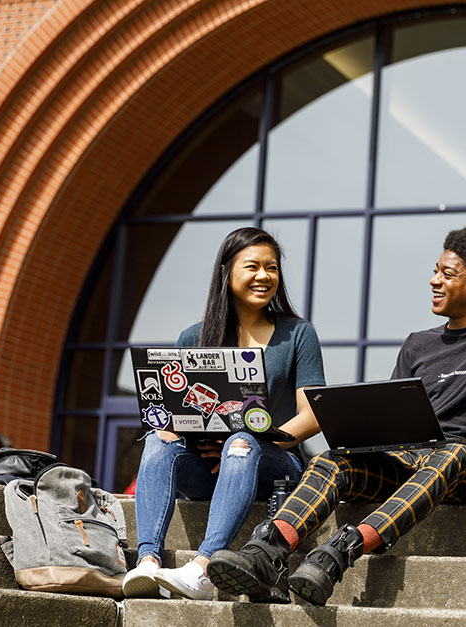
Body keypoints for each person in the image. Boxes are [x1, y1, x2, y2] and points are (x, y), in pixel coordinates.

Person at [205, 227, 466, 606]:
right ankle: (268, 552)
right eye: (435, 271)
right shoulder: (418, 343)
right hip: (411, 461)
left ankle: (343, 550)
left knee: (452, 452)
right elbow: (393, 420)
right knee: (332, 460)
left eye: (447, 274)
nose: (434, 280)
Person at [122, 227, 325, 601]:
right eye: (253, 267)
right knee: (156, 439)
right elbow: (176, 413)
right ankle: (148, 562)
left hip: (274, 463)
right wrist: (170, 428)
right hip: (206, 469)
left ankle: (201, 568)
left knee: (242, 441)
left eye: (272, 268)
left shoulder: (298, 334)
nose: (264, 276)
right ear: (226, 272)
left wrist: (250, 438)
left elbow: (311, 416)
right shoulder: (193, 337)